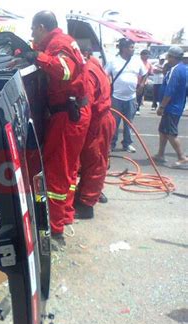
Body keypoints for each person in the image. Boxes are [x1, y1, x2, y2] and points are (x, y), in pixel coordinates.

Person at [19, 11, 90, 244]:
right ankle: (65, 215)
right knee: (68, 170)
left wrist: (37, 57)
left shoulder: (59, 43)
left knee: (57, 172)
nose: (32, 34)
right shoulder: (62, 42)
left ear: (41, 27)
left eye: (33, 30)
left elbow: (64, 71)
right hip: (72, 113)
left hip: (65, 115)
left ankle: (53, 229)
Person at [71, 51, 116, 220]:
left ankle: (86, 205)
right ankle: (89, 194)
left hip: (97, 122)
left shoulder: (88, 71)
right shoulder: (95, 64)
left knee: (94, 163)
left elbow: (85, 105)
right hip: (102, 119)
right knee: (95, 160)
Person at [105, 38, 148, 153]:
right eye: (131, 47)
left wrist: (141, 85)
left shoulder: (136, 61)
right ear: (123, 48)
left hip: (131, 98)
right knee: (114, 123)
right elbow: (104, 75)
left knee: (129, 122)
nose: (133, 49)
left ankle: (127, 144)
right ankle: (111, 144)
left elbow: (144, 74)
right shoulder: (113, 61)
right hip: (116, 98)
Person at [153, 46, 188, 168]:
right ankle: (160, 154)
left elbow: (170, 90)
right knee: (163, 130)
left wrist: (162, 106)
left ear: (172, 57)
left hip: (171, 107)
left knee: (171, 133)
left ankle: (182, 157)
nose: (167, 58)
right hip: (176, 106)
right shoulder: (183, 68)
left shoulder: (176, 70)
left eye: (168, 56)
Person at [135, 49, 153, 115]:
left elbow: (151, 72)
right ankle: (133, 108)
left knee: (140, 96)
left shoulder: (149, 63)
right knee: (134, 96)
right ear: (141, 55)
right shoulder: (137, 62)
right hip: (136, 82)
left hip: (144, 83)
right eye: (146, 55)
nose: (147, 56)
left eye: (148, 55)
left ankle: (137, 108)